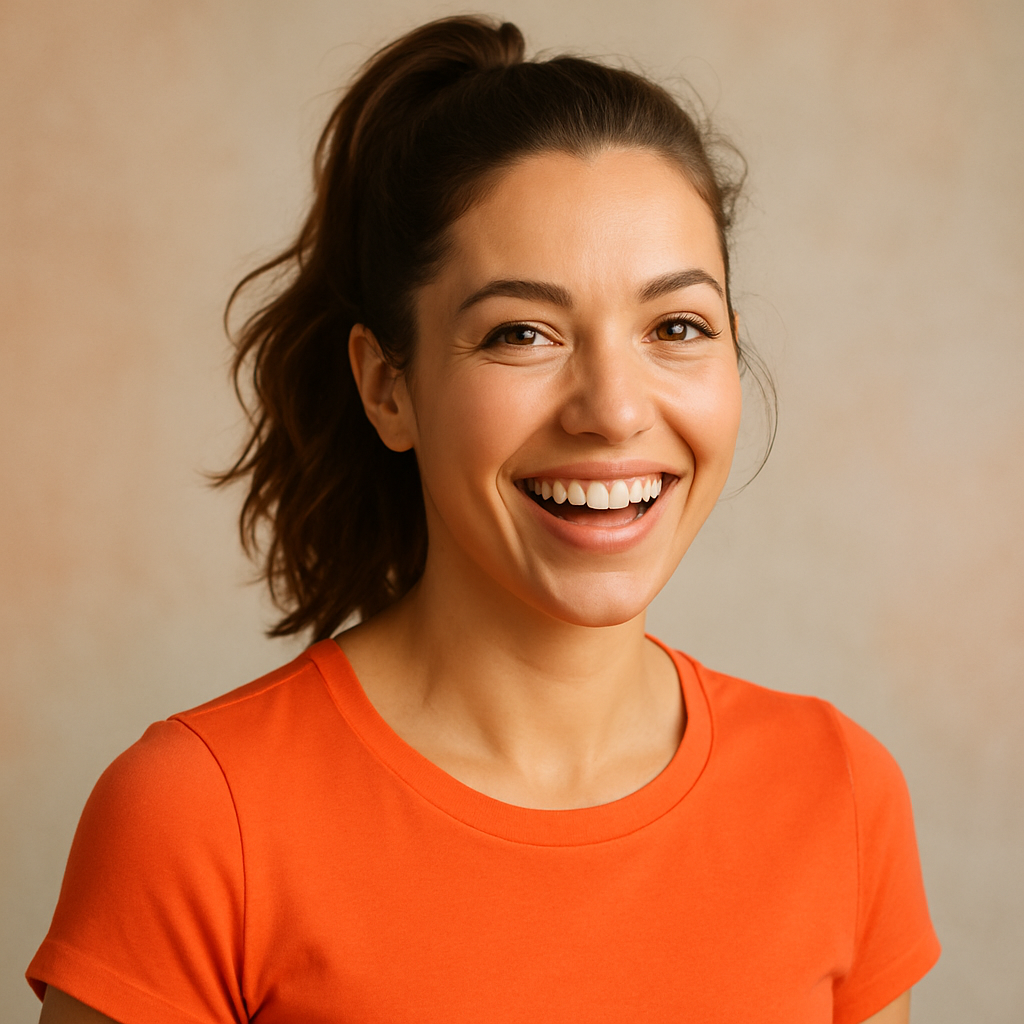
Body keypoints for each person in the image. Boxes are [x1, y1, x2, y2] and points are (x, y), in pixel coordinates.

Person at [28, 15, 939, 1024]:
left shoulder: (839, 793)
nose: (614, 409)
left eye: (675, 326)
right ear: (388, 388)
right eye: (521, 333)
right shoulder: (197, 816)